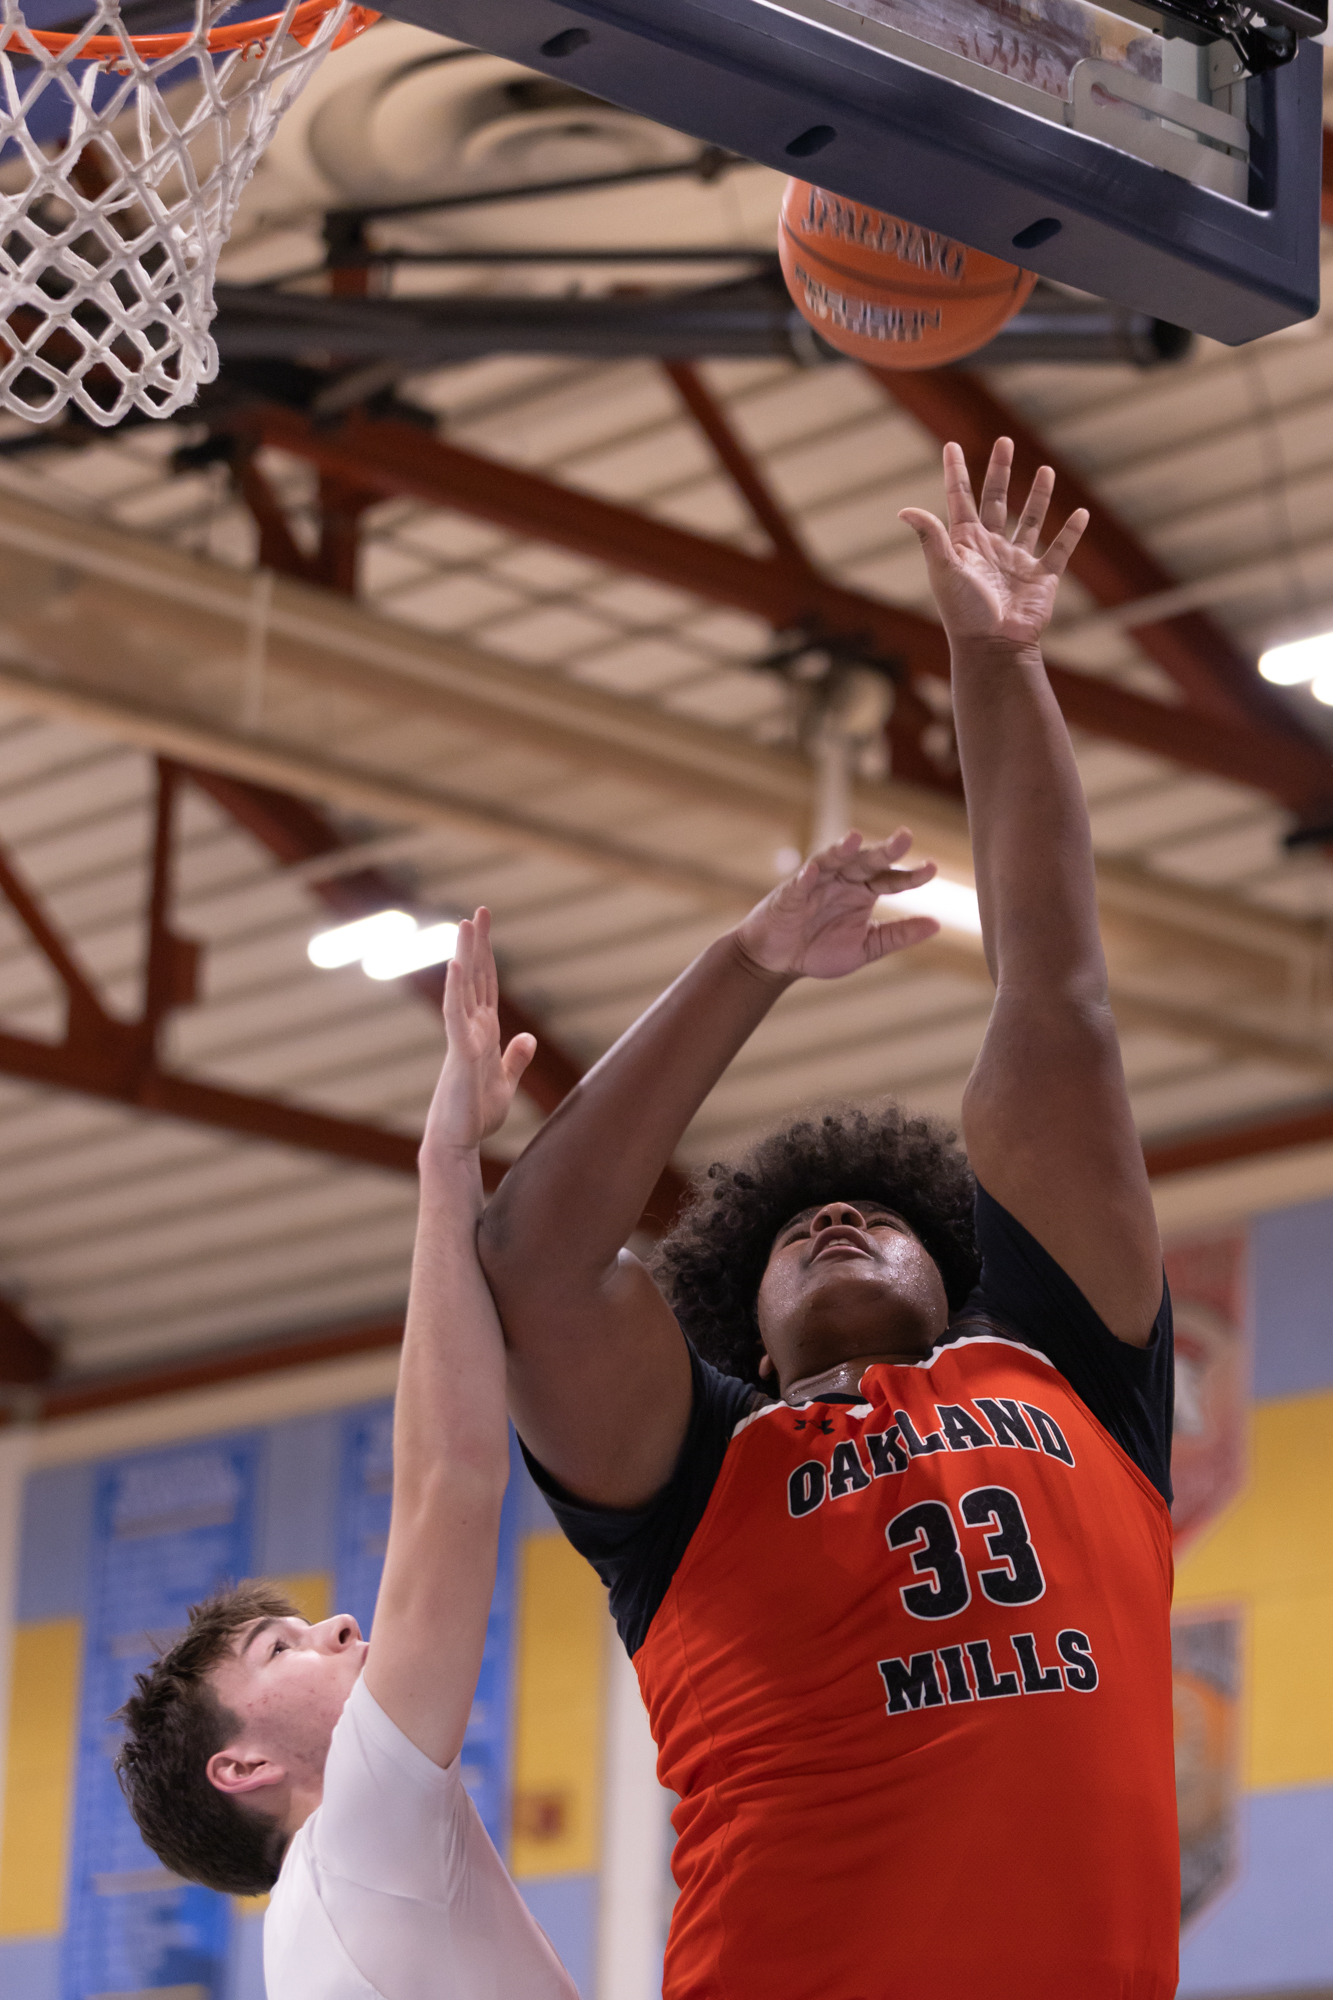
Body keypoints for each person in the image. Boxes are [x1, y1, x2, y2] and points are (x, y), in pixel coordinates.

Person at [480, 440, 1178, 2000]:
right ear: (740, 1331)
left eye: (871, 1214)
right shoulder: (690, 1481)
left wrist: (995, 662)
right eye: (797, 1232)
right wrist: (749, 964)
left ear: (958, 1270)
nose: (836, 1220)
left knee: (1053, 1056)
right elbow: (533, 1261)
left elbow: (1056, 998)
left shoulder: (1073, 1376)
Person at [115, 910, 577, 2000]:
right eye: (281, 1648)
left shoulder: (312, 1926)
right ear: (244, 1766)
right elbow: (448, 1478)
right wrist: (446, 1161)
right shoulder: (354, 1833)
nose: (337, 1625)